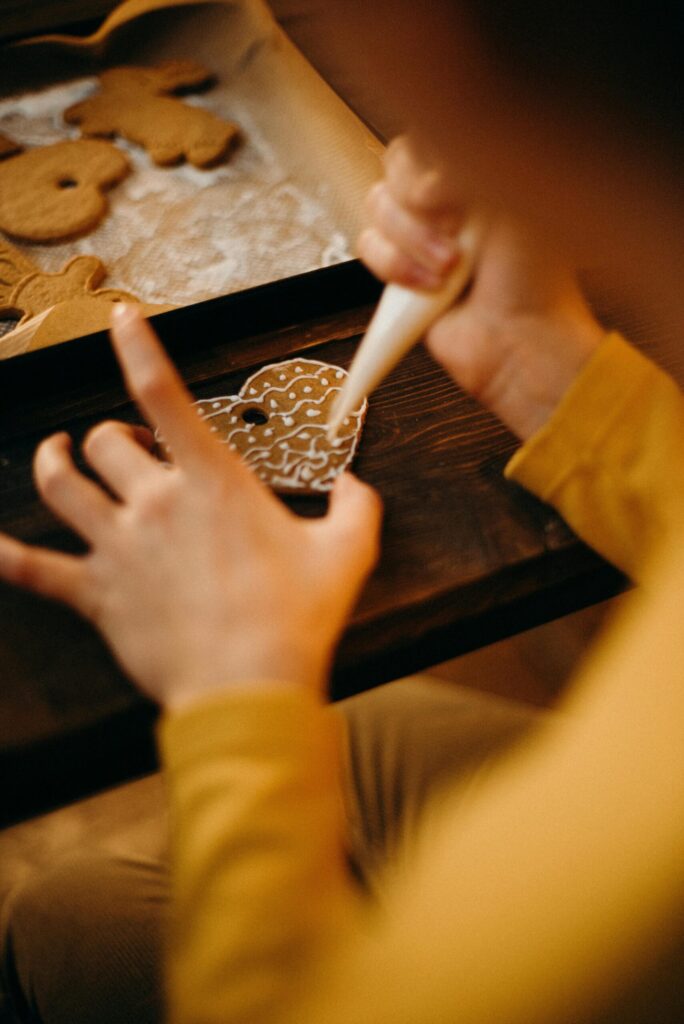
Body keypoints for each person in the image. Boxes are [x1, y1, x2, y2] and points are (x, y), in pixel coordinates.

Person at [2, 2, 684, 1022]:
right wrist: (555, 375)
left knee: (70, 908)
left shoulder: (622, 900)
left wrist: (237, 676)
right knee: (369, 719)